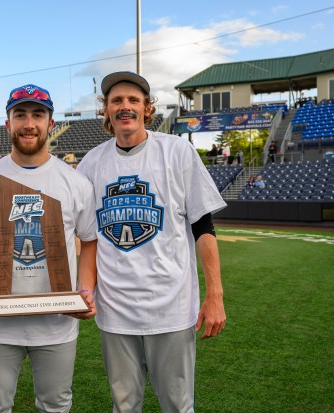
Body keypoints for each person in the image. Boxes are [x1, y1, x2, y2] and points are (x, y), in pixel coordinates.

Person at [77, 72, 227, 413]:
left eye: (133, 100)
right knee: (124, 405)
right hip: (115, 310)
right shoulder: (90, 163)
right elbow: (81, 235)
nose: (124, 106)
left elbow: (203, 227)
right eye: (116, 101)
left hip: (170, 307)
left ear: (147, 109)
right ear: (106, 111)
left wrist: (215, 295)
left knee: (177, 404)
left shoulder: (177, 152)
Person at [0, 84, 98, 413]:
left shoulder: (75, 182)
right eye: (19, 114)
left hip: (57, 323)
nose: (29, 123)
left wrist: (85, 290)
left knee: (55, 405)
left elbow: (90, 241)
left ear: (50, 124)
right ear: (7, 124)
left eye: (38, 115)